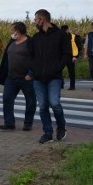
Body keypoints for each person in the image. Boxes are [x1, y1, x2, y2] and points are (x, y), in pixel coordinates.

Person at [30, 9, 71, 143]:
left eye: (36, 19)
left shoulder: (61, 35)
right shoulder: (36, 37)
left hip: (54, 77)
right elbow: (31, 56)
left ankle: (61, 126)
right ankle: (48, 133)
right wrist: (33, 70)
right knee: (42, 106)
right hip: (38, 78)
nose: (34, 22)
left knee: (54, 103)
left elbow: (67, 55)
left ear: (43, 19)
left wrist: (57, 68)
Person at [0, 22, 36, 131]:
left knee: (30, 101)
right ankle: (9, 123)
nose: (11, 32)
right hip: (11, 77)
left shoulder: (30, 42)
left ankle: (28, 123)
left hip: (26, 77)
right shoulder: (12, 42)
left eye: (12, 30)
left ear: (18, 31)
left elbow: (36, 59)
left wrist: (31, 73)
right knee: (7, 98)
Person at [60, 25, 81, 90]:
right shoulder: (60, 37)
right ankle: (62, 84)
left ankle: (72, 86)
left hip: (70, 56)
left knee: (71, 71)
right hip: (64, 56)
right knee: (59, 70)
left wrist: (75, 56)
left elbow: (78, 47)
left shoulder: (73, 36)